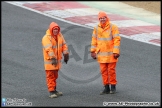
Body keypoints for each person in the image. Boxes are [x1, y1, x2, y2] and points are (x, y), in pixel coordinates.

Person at [90, 11, 121, 95]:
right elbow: (94, 40)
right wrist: (93, 51)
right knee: (103, 71)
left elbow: (117, 40)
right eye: (100, 18)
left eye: (103, 18)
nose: (102, 19)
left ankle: (113, 87)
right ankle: (106, 87)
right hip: (101, 54)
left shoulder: (113, 27)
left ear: (106, 18)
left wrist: (116, 52)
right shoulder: (96, 28)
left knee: (111, 70)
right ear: (99, 19)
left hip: (111, 54)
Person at [42, 22, 69, 98]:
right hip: (50, 61)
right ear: (51, 29)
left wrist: (66, 54)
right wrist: (53, 58)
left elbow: (64, 45)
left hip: (57, 61)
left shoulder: (60, 35)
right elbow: (49, 49)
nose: (56, 31)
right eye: (54, 29)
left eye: (57, 29)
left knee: (55, 76)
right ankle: (51, 91)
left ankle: (54, 90)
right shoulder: (46, 38)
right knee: (50, 76)